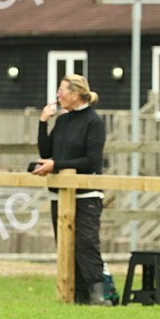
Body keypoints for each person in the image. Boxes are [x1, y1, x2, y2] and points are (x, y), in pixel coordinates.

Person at [32, 73, 109, 306]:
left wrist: (56, 165)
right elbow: (47, 153)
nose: (58, 95)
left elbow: (92, 161)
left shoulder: (94, 122)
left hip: (86, 194)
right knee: (65, 245)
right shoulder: (63, 121)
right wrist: (43, 122)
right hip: (60, 194)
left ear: (75, 94)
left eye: (61, 90)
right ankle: (76, 295)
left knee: (86, 244)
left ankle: (97, 294)